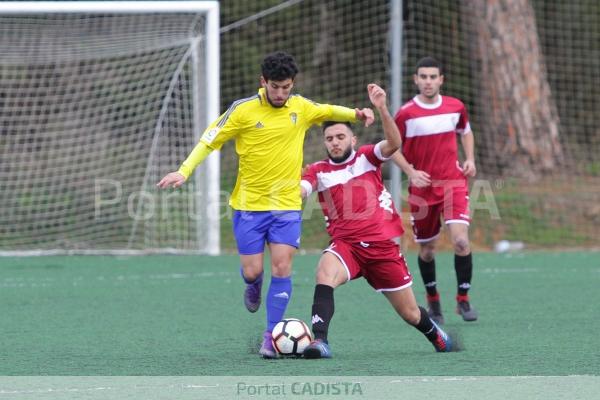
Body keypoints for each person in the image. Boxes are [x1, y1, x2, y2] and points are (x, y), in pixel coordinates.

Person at [157, 51, 374, 358]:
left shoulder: (300, 107)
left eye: (286, 87)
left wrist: (356, 114)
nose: (281, 94)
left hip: (286, 205)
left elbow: (326, 109)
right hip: (248, 206)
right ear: (264, 82)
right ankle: (253, 283)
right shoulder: (243, 110)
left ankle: (270, 336)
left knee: (283, 266)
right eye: (276, 87)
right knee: (252, 270)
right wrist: (184, 170)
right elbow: (210, 139)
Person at [299, 83, 455, 359]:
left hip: (383, 248)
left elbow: (395, 144)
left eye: (340, 137)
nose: (335, 142)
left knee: (410, 313)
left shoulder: (367, 158)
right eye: (330, 139)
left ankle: (436, 335)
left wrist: (382, 108)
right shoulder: (318, 171)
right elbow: (304, 188)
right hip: (346, 246)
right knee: (324, 272)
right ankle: (320, 342)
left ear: (353, 140)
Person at [391, 56, 478, 324]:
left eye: (433, 77)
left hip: (453, 183)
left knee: (461, 241)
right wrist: (410, 172)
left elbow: (466, 130)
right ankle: (433, 299)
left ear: (441, 80)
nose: (428, 82)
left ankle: (463, 300)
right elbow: (391, 147)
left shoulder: (455, 107)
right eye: (423, 77)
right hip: (423, 191)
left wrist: (470, 158)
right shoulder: (406, 114)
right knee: (427, 250)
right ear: (416, 80)